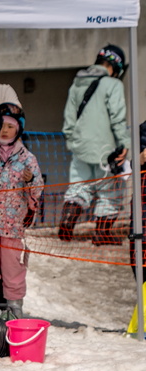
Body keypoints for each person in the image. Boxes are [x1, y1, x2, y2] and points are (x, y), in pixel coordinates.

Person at [59, 45, 130, 245]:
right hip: (105, 150)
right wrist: (124, 144)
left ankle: (66, 221)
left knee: (79, 187)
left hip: (80, 148)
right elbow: (118, 118)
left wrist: (74, 143)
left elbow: (69, 121)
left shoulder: (76, 84)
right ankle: (102, 234)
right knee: (110, 192)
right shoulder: (113, 85)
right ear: (116, 68)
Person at [0, 103, 40, 319]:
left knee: (13, 272)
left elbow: (38, 191)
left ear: (19, 129)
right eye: (1, 126)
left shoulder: (27, 158)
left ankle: (15, 311)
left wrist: (30, 181)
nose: (4, 131)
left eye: (10, 126)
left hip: (13, 229)